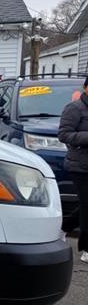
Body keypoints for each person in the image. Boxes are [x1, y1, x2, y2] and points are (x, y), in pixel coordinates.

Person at [58, 76, 88, 263]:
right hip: (80, 166)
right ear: (86, 87)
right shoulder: (74, 108)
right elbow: (64, 134)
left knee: (86, 206)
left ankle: (63, 227)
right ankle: (86, 249)